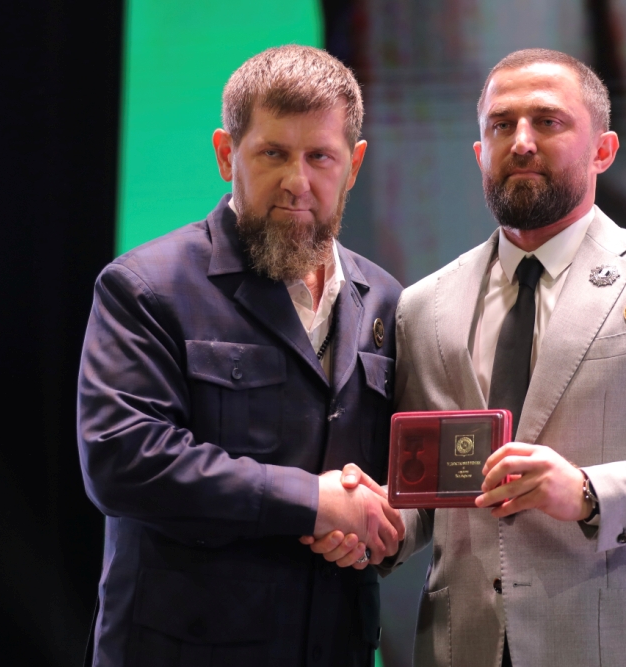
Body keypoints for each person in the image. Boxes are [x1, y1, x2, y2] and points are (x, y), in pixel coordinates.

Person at [312, 48, 626, 667]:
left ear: (603, 150)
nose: (522, 142)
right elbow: (433, 489)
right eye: (501, 125)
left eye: (548, 121)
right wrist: (380, 525)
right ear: (480, 153)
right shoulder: (424, 305)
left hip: (621, 646)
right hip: (462, 645)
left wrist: (588, 492)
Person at [77, 45, 404, 666]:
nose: (297, 182)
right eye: (273, 153)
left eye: (320, 157)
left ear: (354, 165)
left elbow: (391, 477)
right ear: (228, 154)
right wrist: (316, 503)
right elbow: (124, 460)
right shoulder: (144, 286)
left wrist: (374, 531)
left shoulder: (385, 298)